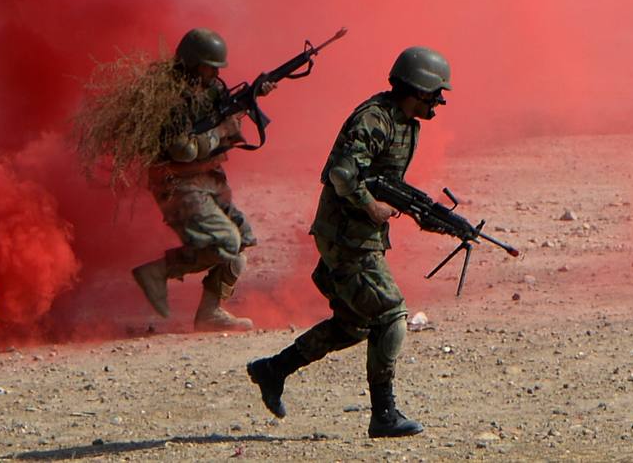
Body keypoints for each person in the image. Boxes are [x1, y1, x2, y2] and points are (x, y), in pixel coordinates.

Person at [246, 46, 452, 439]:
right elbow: (342, 175)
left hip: (362, 235)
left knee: (355, 324)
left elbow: (384, 178)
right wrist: (371, 207)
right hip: (344, 234)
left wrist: (425, 213)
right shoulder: (373, 119)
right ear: (417, 88)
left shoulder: (406, 124)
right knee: (391, 314)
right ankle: (384, 415)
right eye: (434, 93)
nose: (439, 101)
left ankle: (273, 369)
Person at [131, 28, 272, 331]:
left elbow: (220, 113)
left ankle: (210, 313)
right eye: (209, 66)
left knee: (242, 239)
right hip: (178, 184)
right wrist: (222, 131)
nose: (214, 73)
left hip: (208, 179)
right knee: (226, 241)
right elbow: (182, 149)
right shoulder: (170, 99)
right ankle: (158, 271)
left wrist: (254, 97)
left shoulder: (208, 90)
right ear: (192, 63)